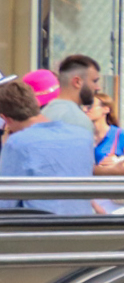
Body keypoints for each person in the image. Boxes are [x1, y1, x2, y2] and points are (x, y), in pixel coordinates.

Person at [0, 76, 96, 213]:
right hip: (83, 222)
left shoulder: (18, 143)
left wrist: (5, 148)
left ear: (5, 118)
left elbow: (6, 202)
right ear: (36, 103)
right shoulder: (82, 136)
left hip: (40, 226)